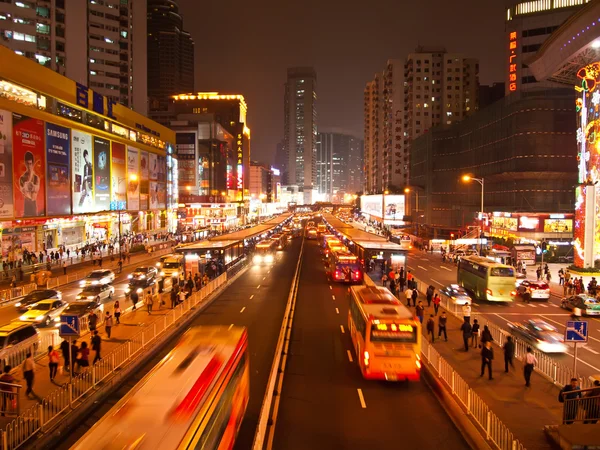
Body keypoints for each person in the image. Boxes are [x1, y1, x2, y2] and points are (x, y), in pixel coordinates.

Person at [18, 151, 41, 216]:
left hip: (33, 209)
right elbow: (25, 195)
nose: (29, 166)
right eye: (27, 163)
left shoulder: (36, 178)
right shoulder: (22, 178)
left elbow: (33, 196)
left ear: (33, 163)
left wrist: (31, 187)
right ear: (25, 163)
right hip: (26, 208)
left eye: (30, 163)